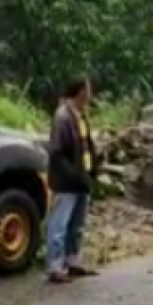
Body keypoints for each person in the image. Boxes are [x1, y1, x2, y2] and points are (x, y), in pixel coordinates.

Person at [46, 76, 99, 284]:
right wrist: (73, 174)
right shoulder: (62, 117)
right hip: (67, 181)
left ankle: (73, 261)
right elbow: (57, 153)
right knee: (59, 224)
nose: (91, 93)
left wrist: (92, 170)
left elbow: (87, 145)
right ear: (80, 92)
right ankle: (55, 266)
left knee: (77, 224)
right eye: (88, 89)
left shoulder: (81, 115)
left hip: (82, 179)